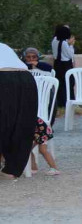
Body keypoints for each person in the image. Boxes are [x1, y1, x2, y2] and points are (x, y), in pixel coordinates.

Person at [0, 43, 37, 180]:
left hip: (3, 79)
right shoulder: (4, 46)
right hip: (26, 79)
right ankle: (13, 168)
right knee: (21, 123)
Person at [51, 24, 75, 111]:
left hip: (57, 64)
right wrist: (71, 45)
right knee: (68, 83)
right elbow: (70, 55)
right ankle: (68, 102)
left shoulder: (54, 41)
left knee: (60, 84)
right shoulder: (64, 43)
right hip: (65, 65)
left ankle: (60, 102)